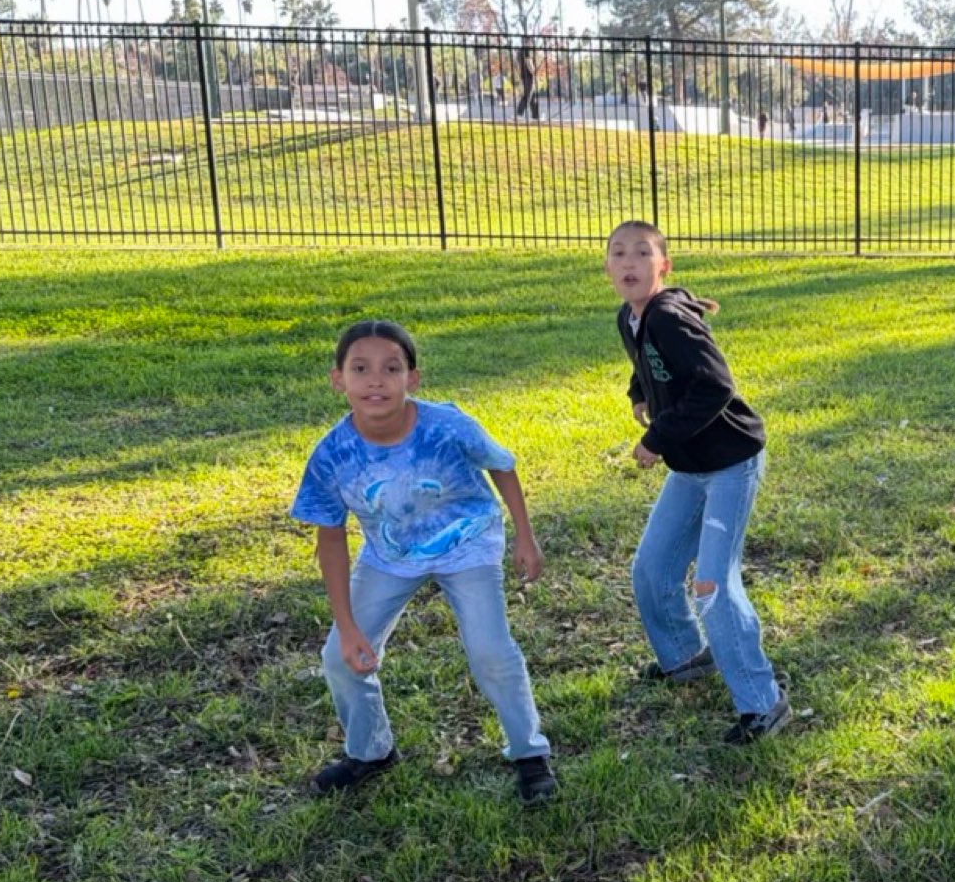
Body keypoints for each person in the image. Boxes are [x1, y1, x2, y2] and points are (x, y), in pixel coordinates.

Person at [291, 320, 558, 802]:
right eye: (361, 369)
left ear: (412, 379)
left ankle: (529, 753)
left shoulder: (446, 425)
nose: (376, 380)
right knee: (338, 656)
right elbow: (330, 540)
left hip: (467, 541)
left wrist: (524, 535)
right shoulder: (331, 456)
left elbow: (502, 464)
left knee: (490, 651)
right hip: (390, 555)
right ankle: (370, 752)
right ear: (338, 380)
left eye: (391, 368)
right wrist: (347, 627)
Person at [604, 220, 793, 744]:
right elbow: (647, 364)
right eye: (618, 253)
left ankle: (763, 703)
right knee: (651, 568)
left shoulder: (667, 316)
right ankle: (686, 657)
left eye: (642, 253)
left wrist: (657, 436)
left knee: (712, 584)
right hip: (689, 470)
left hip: (730, 464)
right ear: (606, 269)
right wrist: (638, 394)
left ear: (663, 265)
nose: (629, 262)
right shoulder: (631, 316)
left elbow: (715, 385)